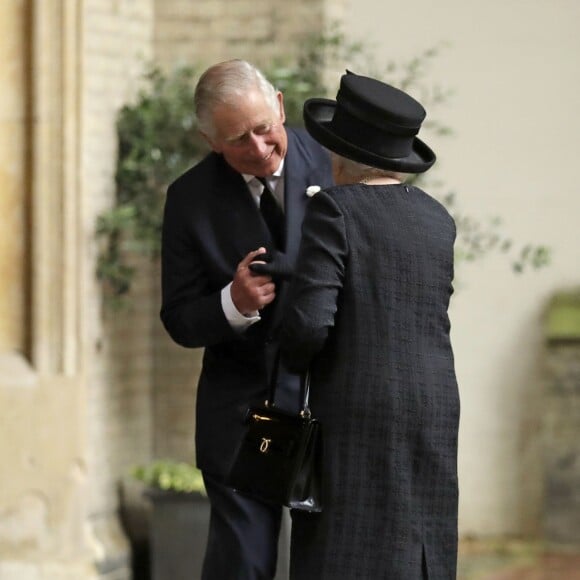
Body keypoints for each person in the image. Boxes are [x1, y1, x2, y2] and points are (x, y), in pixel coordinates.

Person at [275, 72, 460, 579]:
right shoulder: (437, 219)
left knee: (348, 553)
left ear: (341, 155)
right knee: (417, 547)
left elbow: (310, 326)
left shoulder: (335, 208)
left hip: (357, 410)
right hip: (436, 405)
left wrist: (284, 341)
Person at [159, 59, 333, 580]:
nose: (258, 149)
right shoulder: (187, 199)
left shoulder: (335, 163)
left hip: (329, 401)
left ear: (279, 105)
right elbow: (180, 319)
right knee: (241, 566)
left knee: (330, 562)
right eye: (238, 139)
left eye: (263, 129)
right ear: (211, 141)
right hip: (239, 414)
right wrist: (234, 303)